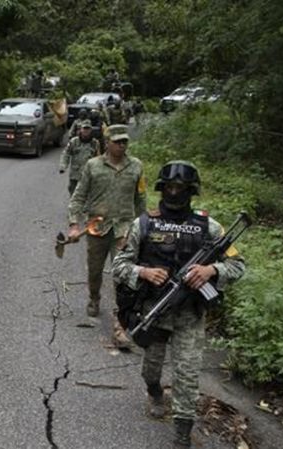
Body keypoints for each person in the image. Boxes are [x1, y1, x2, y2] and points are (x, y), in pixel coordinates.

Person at [112, 161, 245, 447]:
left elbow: (238, 265)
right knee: (150, 371)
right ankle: (155, 392)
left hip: (190, 316)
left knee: (187, 375)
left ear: (191, 191)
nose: (174, 192)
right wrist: (143, 272)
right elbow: (119, 265)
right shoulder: (143, 224)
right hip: (154, 312)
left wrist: (211, 270)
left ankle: (182, 434)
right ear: (162, 188)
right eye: (170, 187)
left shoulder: (210, 227)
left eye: (180, 188)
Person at [67, 124, 147, 348]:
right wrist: (74, 224)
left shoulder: (136, 166)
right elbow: (78, 196)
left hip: (124, 229)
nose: (122, 145)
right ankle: (94, 297)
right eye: (117, 141)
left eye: (125, 141)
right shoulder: (93, 166)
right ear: (107, 143)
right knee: (95, 270)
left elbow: (141, 199)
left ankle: (119, 325)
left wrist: (144, 227)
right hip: (97, 228)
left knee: (121, 275)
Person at [59, 120, 101, 196]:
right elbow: (66, 154)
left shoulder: (95, 143)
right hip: (75, 175)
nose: (86, 131)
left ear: (91, 130)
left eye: (88, 129)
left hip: (89, 175)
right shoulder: (74, 142)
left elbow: (98, 158)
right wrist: (63, 165)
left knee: (88, 196)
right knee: (73, 194)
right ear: (80, 129)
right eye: (84, 128)